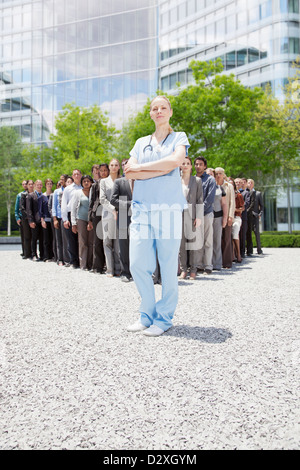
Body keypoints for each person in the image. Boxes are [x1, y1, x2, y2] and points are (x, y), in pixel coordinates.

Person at [125, 95, 190, 337]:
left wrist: (143, 169)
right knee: (137, 264)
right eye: (155, 108)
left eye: (163, 107)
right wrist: (158, 169)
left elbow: (176, 161)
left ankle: (164, 319)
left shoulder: (179, 138)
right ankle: (146, 315)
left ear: (170, 112)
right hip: (142, 210)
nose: (159, 111)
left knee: (168, 264)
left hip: (169, 210)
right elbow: (130, 172)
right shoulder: (141, 142)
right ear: (151, 114)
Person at [179, 156, 203, 280]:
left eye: (188, 163)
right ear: (180, 166)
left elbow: (200, 199)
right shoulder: (176, 181)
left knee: (192, 244)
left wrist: (199, 216)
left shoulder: (197, 181)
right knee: (181, 244)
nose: (186, 165)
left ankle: (193, 270)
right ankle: (183, 269)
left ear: (191, 166)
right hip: (179, 215)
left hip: (193, 215)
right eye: (183, 163)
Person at [110, 162, 133, 282]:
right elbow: (113, 200)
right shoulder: (119, 182)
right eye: (125, 165)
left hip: (139, 217)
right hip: (124, 216)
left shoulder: (140, 181)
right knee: (123, 245)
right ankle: (125, 273)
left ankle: (137, 272)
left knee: (139, 245)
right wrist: (129, 204)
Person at [194, 156, 216, 275]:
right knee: (197, 241)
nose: (198, 166)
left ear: (205, 166)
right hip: (195, 215)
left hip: (206, 213)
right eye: (196, 164)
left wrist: (199, 212)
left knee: (208, 241)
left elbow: (210, 199)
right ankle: (198, 265)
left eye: (200, 164)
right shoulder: (192, 180)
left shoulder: (210, 180)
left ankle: (208, 266)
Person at [100, 159, 121, 277]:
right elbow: (102, 199)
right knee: (107, 242)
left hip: (120, 215)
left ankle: (118, 269)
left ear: (118, 167)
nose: (114, 167)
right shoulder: (103, 181)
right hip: (108, 215)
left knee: (118, 242)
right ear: (109, 167)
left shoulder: (122, 180)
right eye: (112, 165)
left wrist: (119, 210)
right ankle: (110, 270)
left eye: (116, 165)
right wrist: (113, 209)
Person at [88, 164, 109, 274]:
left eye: (105, 170)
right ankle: (98, 266)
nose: (103, 173)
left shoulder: (112, 183)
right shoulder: (95, 185)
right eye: (101, 171)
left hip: (109, 212)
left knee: (108, 239)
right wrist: (90, 219)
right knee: (97, 240)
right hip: (97, 213)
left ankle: (109, 265)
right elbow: (91, 202)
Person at [71, 175, 94, 271]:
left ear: (91, 182)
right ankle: (83, 265)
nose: (86, 183)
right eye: (84, 181)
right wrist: (73, 223)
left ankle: (90, 264)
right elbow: (73, 208)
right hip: (81, 219)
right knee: (83, 242)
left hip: (92, 220)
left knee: (91, 242)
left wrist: (91, 221)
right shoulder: (78, 193)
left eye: (88, 181)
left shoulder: (94, 192)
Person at [61, 169, 82, 268]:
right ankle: (74, 261)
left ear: (81, 175)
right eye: (75, 174)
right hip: (70, 215)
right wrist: (65, 219)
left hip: (81, 214)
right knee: (71, 239)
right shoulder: (68, 189)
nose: (77, 176)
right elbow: (64, 204)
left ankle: (82, 260)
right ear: (72, 177)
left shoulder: (84, 187)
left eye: (78, 174)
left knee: (81, 239)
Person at [215, 168, 235, 269]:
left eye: (220, 173)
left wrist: (230, 216)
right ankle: (217, 260)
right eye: (217, 174)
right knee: (217, 239)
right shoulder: (213, 185)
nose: (218, 175)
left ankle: (227, 262)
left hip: (226, 214)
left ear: (224, 175)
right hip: (216, 215)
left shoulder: (229, 186)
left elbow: (232, 202)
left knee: (227, 238)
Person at [208, 169, 228, 271]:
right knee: (207, 241)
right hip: (206, 217)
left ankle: (217, 264)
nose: (210, 176)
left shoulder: (220, 189)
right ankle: (207, 263)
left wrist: (225, 218)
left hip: (218, 217)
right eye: (208, 174)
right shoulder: (203, 187)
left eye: (212, 174)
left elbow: (224, 204)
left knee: (217, 240)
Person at [52, 174, 69, 266]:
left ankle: (67, 259)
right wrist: (54, 219)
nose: (61, 181)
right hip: (59, 217)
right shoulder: (56, 192)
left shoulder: (69, 190)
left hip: (67, 217)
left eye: (63, 179)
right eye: (60, 179)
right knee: (59, 239)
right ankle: (60, 259)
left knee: (67, 239)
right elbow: (54, 206)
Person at [26, 179, 44, 261]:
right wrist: (31, 221)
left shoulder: (43, 196)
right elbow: (29, 209)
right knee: (34, 238)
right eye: (38, 185)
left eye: (40, 185)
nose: (39, 186)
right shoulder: (31, 195)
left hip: (42, 220)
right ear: (35, 186)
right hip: (34, 220)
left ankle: (42, 254)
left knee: (42, 238)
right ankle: (34, 254)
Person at [228, 178, 244, 263]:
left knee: (234, 233)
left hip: (236, 217)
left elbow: (242, 208)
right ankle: (232, 255)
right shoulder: (226, 194)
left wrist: (234, 209)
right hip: (227, 217)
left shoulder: (239, 195)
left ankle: (238, 254)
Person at [40, 178, 54, 262]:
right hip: (45, 219)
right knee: (46, 239)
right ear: (45, 185)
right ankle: (46, 256)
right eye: (48, 184)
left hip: (52, 219)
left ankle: (52, 255)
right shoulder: (42, 196)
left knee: (52, 238)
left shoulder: (54, 194)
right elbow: (40, 210)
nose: (49, 185)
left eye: (50, 183)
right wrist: (42, 220)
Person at [248, 179, 264, 255]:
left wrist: (260, 214)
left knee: (256, 232)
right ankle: (249, 250)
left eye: (251, 183)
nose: (250, 184)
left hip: (255, 216)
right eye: (249, 182)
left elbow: (262, 206)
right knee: (248, 234)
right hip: (248, 216)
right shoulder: (246, 193)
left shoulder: (258, 193)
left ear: (253, 184)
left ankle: (259, 249)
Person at [20, 179, 34, 259]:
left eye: (32, 184)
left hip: (33, 219)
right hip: (25, 219)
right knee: (27, 236)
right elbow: (22, 208)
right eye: (29, 184)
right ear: (27, 186)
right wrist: (28, 217)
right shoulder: (23, 194)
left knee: (34, 236)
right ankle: (26, 253)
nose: (31, 186)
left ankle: (33, 253)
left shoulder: (35, 194)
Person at [14, 180, 28, 258]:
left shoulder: (31, 193)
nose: (24, 185)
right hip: (22, 218)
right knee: (23, 236)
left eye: (25, 184)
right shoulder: (19, 195)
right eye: (23, 184)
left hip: (30, 218)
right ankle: (24, 252)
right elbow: (16, 208)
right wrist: (17, 218)